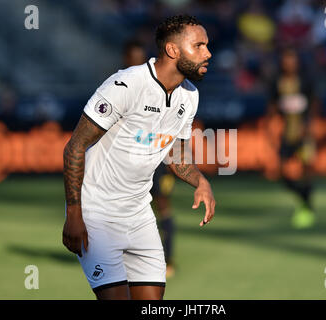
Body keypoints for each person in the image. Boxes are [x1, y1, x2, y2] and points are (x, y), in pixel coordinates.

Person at [62, 15, 215, 300]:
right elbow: (74, 147)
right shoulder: (126, 85)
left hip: (141, 216)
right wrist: (74, 214)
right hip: (98, 216)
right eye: (199, 45)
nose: (208, 53)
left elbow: (177, 154)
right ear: (173, 50)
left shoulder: (190, 95)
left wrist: (200, 181)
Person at [123, 39, 178, 278]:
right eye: (131, 59)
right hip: (128, 160)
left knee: (162, 205)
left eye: (139, 59)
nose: (136, 64)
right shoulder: (118, 86)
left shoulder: (159, 87)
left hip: (157, 161)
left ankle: (168, 259)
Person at [266, 48, 317, 229]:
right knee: (282, 173)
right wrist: (272, 130)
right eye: (286, 59)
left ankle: (307, 207)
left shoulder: (305, 80)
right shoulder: (277, 82)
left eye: (292, 59)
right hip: (285, 135)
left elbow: (314, 105)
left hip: (303, 135)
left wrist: (310, 129)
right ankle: (303, 198)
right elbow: (272, 108)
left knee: (305, 172)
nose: (289, 63)